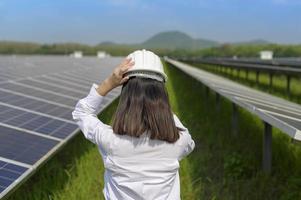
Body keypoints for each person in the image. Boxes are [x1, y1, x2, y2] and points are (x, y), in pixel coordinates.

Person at [72, 49, 195, 200]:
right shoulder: (179, 142)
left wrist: (109, 82)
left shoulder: (110, 140)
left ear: (126, 97)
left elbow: (81, 113)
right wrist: (162, 109)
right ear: (162, 95)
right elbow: (189, 142)